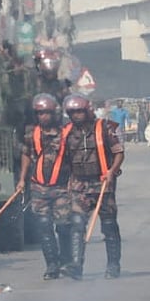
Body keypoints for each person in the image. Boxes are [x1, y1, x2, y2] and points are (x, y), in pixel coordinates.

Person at [63, 94, 125, 280]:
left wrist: (112, 171)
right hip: (79, 184)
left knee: (108, 224)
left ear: (88, 110)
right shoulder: (66, 132)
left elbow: (119, 153)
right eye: (73, 112)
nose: (77, 116)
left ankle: (113, 265)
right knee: (76, 224)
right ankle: (76, 265)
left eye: (80, 111)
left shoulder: (104, 128)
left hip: (102, 183)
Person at [17, 94, 73, 280]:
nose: (44, 117)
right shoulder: (31, 134)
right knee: (44, 227)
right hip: (39, 187)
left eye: (48, 113)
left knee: (64, 226)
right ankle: (52, 265)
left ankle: (66, 262)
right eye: (40, 113)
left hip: (62, 187)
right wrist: (22, 179)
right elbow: (26, 155)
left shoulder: (66, 132)